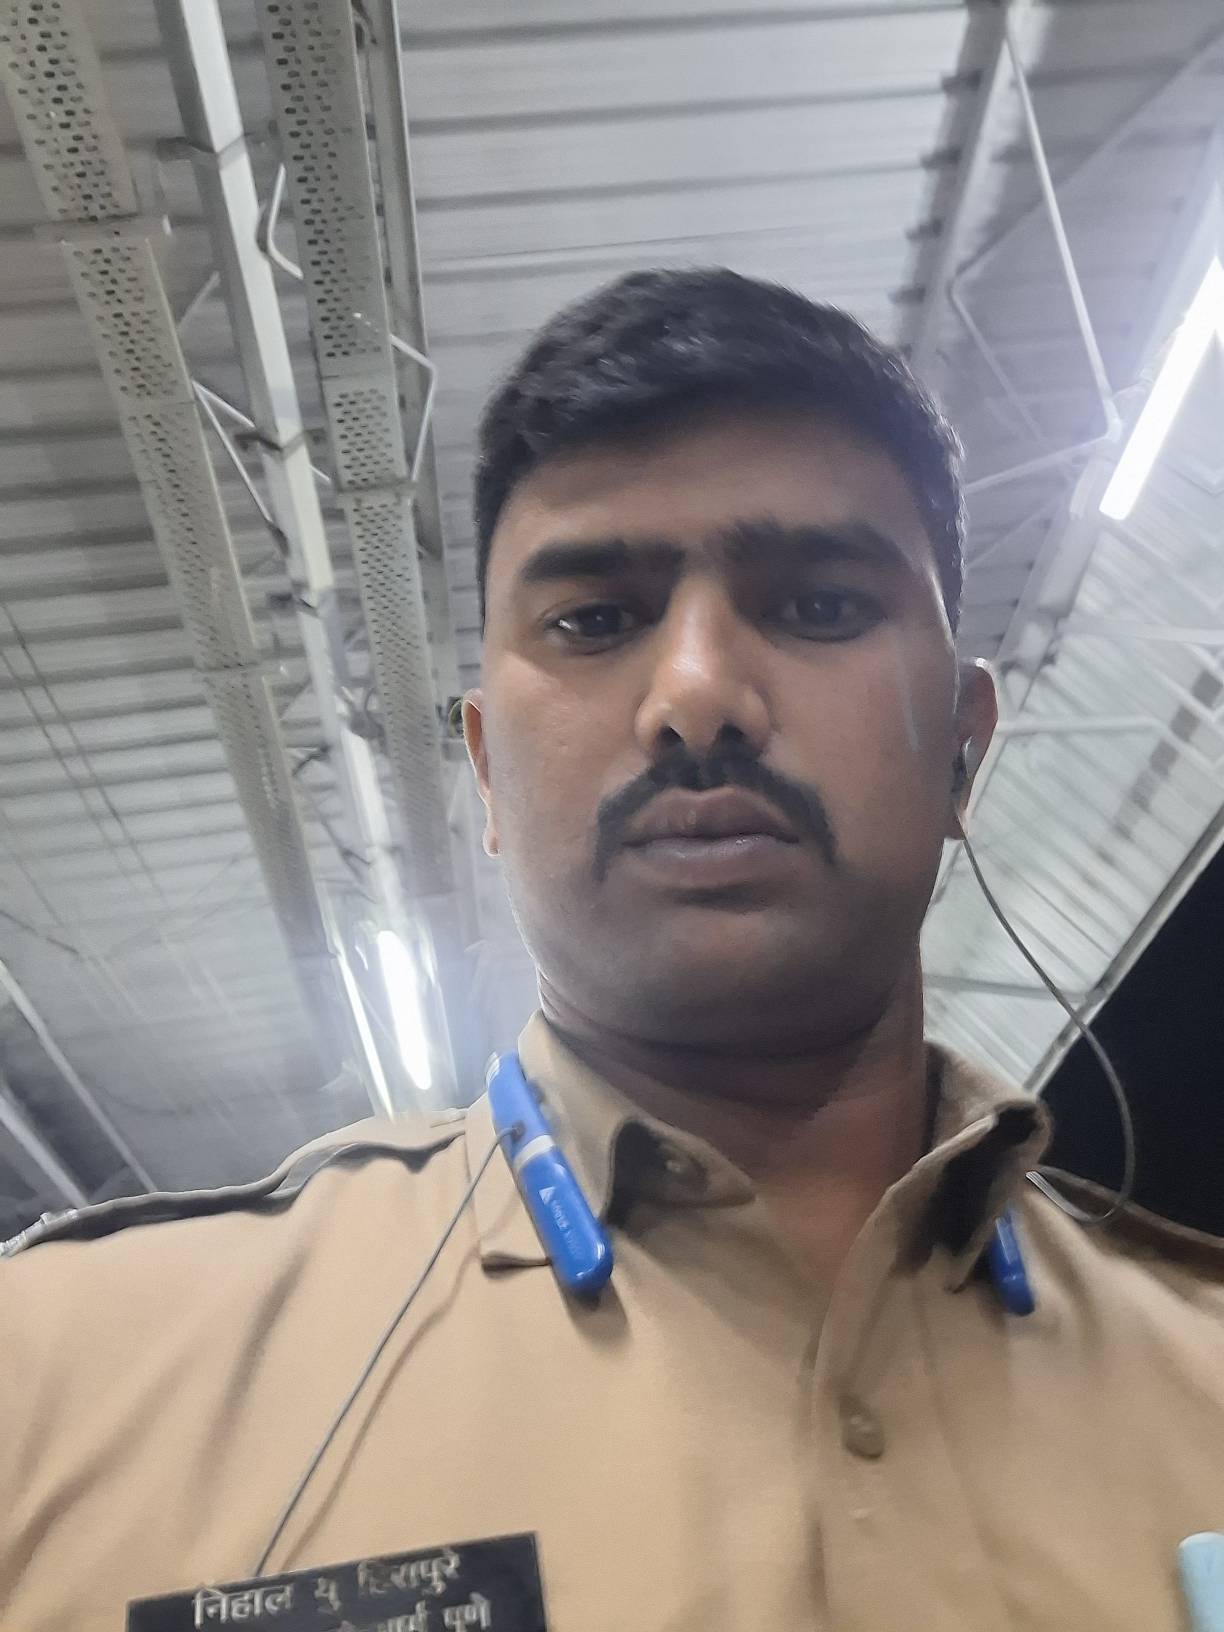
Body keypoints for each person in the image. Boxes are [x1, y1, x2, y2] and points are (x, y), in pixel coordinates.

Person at [3, 269, 1222, 1632]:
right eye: (594, 618)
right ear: (485, 773)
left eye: (821, 605)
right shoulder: (59, 1386)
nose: (698, 694)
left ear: (964, 746)